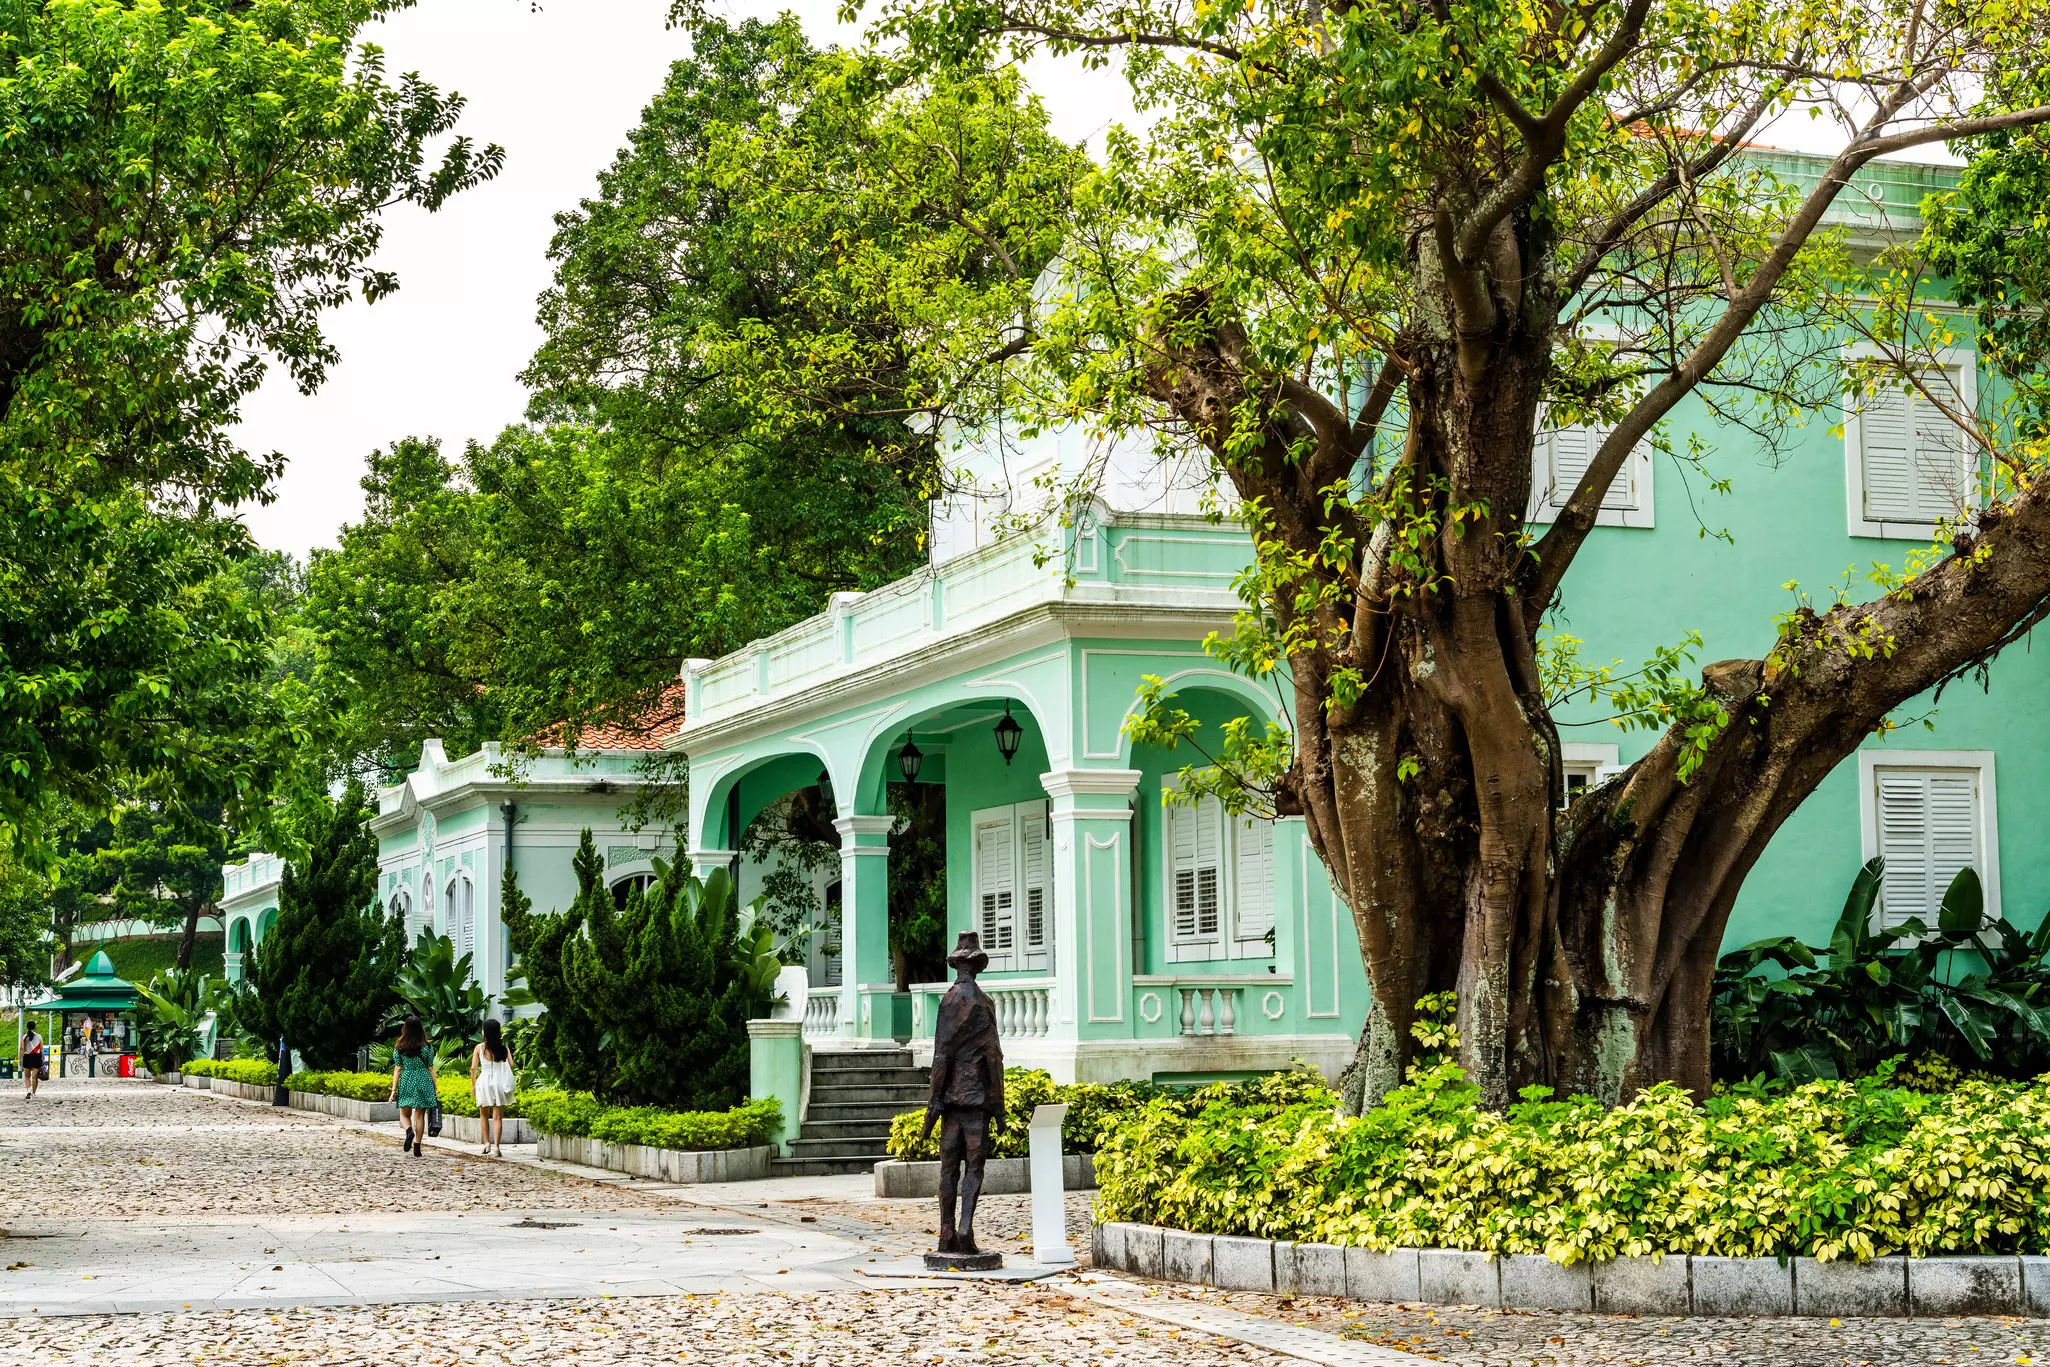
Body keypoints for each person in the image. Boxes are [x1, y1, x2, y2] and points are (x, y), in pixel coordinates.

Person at [387, 1016, 439, 1156]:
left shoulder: (399, 1046)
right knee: (420, 1115)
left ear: (405, 1028)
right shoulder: (427, 1046)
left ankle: (409, 1131)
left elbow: (397, 1068)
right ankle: (417, 1146)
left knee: (404, 1114)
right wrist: (435, 1087)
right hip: (423, 1079)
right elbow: (430, 1068)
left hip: (407, 1079)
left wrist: (393, 1090)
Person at [469, 1019, 516, 1157]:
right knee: (497, 1117)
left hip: (484, 1081)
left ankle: (486, 1144)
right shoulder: (504, 1048)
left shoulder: (479, 1048)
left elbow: (473, 1068)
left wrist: (472, 1085)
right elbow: (511, 1065)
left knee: (483, 1114)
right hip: (499, 1083)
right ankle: (496, 1147)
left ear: (485, 1032)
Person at [20, 1025, 45, 1100]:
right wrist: (43, 1058)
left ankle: (28, 1091)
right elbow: (41, 1048)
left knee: (27, 1076)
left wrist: (19, 1058)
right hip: (36, 1057)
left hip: (27, 1057)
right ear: (35, 1027)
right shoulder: (39, 1036)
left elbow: (22, 1049)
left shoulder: (24, 1037)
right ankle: (33, 1094)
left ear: (27, 1027)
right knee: (34, 1077)